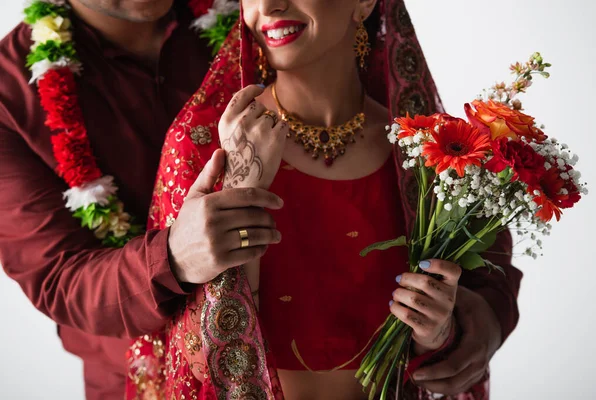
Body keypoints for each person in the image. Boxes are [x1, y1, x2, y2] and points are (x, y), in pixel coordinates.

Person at [0, 0, 521, 399]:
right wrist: (176, 258)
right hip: (146, 379)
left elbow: (435, 179)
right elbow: (58, 276)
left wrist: (482, 311)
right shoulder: (10, 92)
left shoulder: (262, 18)